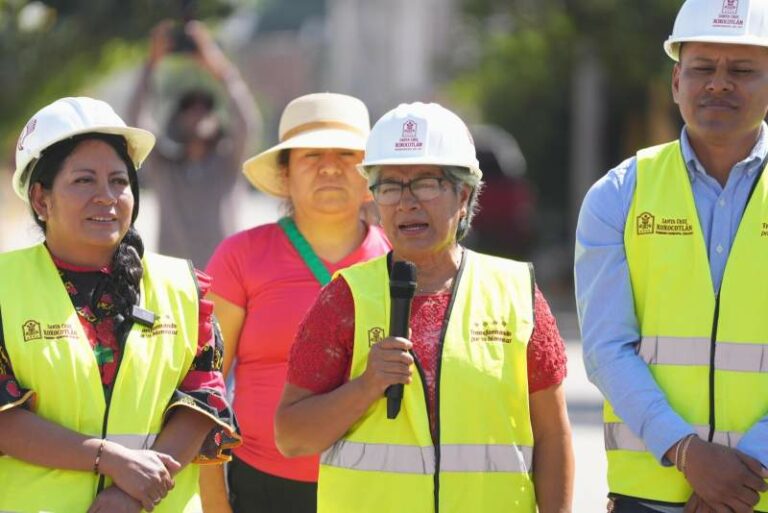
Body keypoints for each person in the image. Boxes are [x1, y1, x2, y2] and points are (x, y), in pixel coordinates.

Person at [275, 102, 574, 513]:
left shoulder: (515, 293)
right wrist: (366, 386)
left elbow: (553, 435)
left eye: (427, 183)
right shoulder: (344, 298)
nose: (407, 202)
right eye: (390, 187)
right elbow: (292, 437)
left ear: (463, 196)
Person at [0, 96, 239, 513]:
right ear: (40, 199)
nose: (106, 196)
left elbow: (204, 398)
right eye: (83, 181)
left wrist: (133, 493)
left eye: (119, 181)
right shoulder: (6, 285)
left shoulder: (183, 287)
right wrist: (110, 460)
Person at [575, 1, 768, 511]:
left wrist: (745, 473)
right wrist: (686, 453)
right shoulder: (619, 195)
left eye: (741, 70)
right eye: (703, 68)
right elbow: (606, 349)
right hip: (649, 496)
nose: (719, 84)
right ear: (676, 81)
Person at [199, 92, 391, 513]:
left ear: (371, 177)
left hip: (378, 489)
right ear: (285, 174)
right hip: (263, 487)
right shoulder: (240, 257)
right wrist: (214, 502)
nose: (329, 167)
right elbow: (203, 388)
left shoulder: (403, 263)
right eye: (311, 155)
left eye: (346, 154)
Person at [128, 19, 261, 268]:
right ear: (175, 120)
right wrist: (151, 64)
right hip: (172, 280)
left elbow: (248, 123)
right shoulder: (164, 168)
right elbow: (135, 125)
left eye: (205, 107)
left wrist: (219, 67)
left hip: (224, 277)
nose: (198, 113)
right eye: (189, 107)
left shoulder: (228, 164)